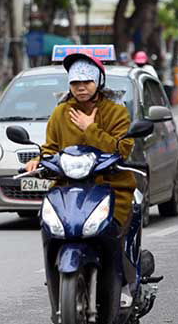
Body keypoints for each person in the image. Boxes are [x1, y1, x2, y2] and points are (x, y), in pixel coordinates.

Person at [24, 53, 136, 231]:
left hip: (110, 185)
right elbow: (51, 148)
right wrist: (38, 160)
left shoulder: (116, 111)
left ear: (98, 81)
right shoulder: (60, 112)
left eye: (87, 82)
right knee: (50, 224)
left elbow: (122, 150)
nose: (81, 88)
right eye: (75, 83)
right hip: (68, 186)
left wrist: (90, 128)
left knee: (112, 228)